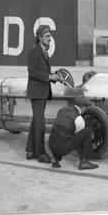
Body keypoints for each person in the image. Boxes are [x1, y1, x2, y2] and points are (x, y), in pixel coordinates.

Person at [25, 24, 60, 163]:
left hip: (42, 92)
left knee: (36, 122)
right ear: (39, 37)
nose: (50, 38)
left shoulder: (44, 51)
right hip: (37, 93)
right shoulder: (33, 51)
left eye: (50, 36)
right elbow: (32, 71)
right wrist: (49, 77)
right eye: (47, 36)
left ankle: (30, 151)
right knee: (40, 123)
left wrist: (54, 77)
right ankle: (40, 153)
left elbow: (42, 71)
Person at [48, 97, 99, 170]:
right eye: (87, 107)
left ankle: (55, 158)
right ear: (84, 107)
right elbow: (80, 138)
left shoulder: (62, 110)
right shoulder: (79, 118)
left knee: (60, 134)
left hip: (51, 145)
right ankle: (84, 162)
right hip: (62, 148)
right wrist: (91, 142)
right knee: (87, 132)